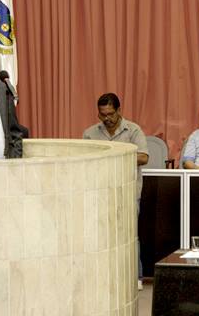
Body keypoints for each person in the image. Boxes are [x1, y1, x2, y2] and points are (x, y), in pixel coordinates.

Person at [82, 92, 149, 289]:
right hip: (98, 194)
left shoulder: (133, 130)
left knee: (129, 236)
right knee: (99, 236)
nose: (107, 119)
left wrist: (112, 156)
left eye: (111, 114)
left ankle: (135, 277)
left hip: (128, 194)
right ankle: (100, 276)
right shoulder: (90, 133)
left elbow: (144, 157)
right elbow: (84, 161)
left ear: (119, 111)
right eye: (102, 115)